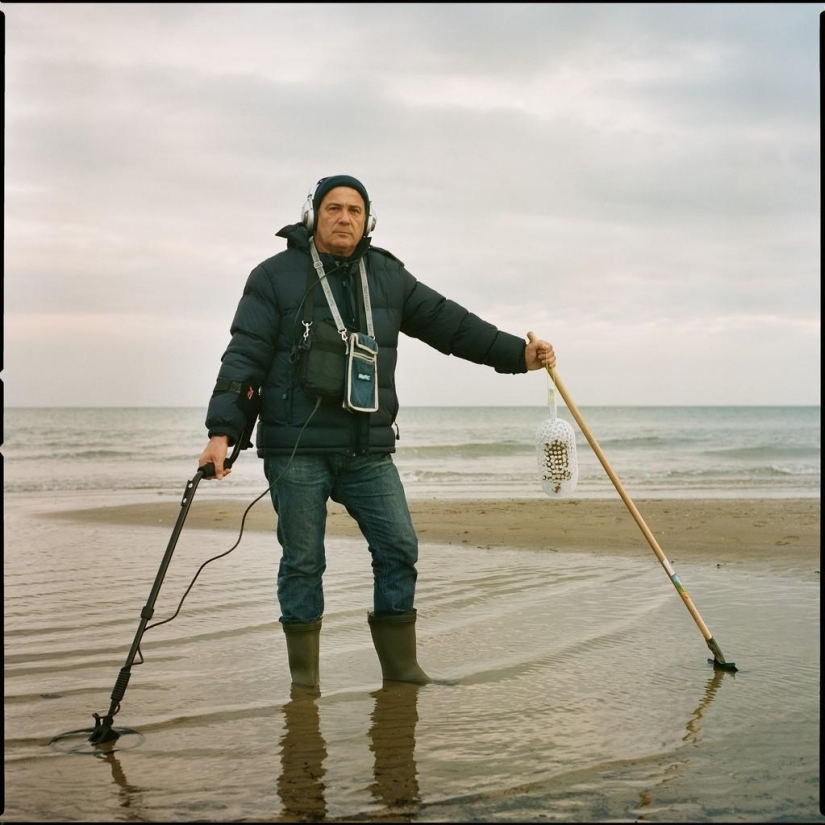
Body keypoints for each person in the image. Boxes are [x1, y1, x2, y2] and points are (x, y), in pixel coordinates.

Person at [198, 174, 556, 689]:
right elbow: (245, 354)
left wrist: (518, 357)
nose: (344, 218)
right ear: (312, 215)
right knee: (303, 562)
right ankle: (305, 683)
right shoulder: (273, 277)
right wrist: (221, 433)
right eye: (333, 209)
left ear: (368, 221)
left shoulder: (387, 275)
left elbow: (451, 325)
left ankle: (401, 671)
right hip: (296, 451)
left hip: (367, 449)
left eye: (355, 210)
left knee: (399, 548)